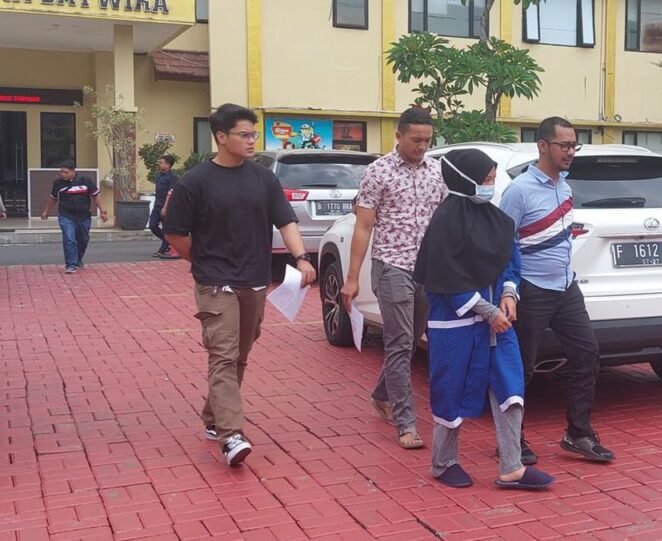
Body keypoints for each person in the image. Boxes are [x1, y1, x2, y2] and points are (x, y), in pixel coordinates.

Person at [163, 104, 317, 467]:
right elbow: (175, 234)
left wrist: (301, 258)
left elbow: (286, 221)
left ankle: (213, 416)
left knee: (239, 356)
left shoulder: (264, 179)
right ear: (221, 137)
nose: (251, 141)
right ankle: (231, 435)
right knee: (223, 355)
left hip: (255, 280)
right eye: (244, 135)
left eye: (253, 134)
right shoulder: (195, 182)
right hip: (215, 284)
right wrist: (203, 262)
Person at [414, 148, 555, 490]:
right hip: (457, 326)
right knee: (451, 391)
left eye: (492, 179)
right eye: (485, 180)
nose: (490, 186)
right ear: (465, 180)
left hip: (497, 324)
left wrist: (508, 293)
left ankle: (512, 467)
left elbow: (509, 258)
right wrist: (486, 310)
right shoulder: (445, 223)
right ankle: (444, 462)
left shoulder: (496, 220)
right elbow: (445, 278)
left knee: (510, 386)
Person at [499, 117, 615, 464]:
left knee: (587, 354)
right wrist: (508, 290)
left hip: (566, 286)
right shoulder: (519, 191)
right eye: (564, 145)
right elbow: (503, 244)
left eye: (574, 145)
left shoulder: (564, 186)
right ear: (542, 146)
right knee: (521, 367)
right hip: (531, 288)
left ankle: (578, 433)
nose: (570, 152)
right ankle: (511, 440)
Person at [341, 107, 447, 450]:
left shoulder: (437, 170)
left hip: (427, 269)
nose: (422, 146)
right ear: (398, 136)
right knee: (400, 342)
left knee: (411, 340)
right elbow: (363, 226)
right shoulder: (378, 172)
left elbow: (445, 219)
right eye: (415, 139)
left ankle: (381, 394)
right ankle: (406, 423)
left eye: (427, 140)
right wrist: (352, 278)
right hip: (391, 266)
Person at [40, 160, 108, 274]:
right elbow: (53, 198)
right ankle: (71, 265)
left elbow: (95, 195)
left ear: (73, 171)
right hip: (66, 215)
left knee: (83, 239)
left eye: (65, 172)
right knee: (69, 238)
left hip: (83, 215)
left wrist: (102, 211)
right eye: (61, 172)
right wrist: (46, 211)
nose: (62, 174)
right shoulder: (57, 183)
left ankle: (78, 259)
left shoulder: (85, 180)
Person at [149, 154, 179, 258]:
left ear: (168, 165)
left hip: (167, 206)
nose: (159, 164)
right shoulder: (160, 176)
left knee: (166, 229)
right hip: (157, 205)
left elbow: (170, 194)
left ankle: (162, 249)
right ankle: (167, 242)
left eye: (161, 163)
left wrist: (165, 207)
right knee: (152, 225)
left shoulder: (172, 178)